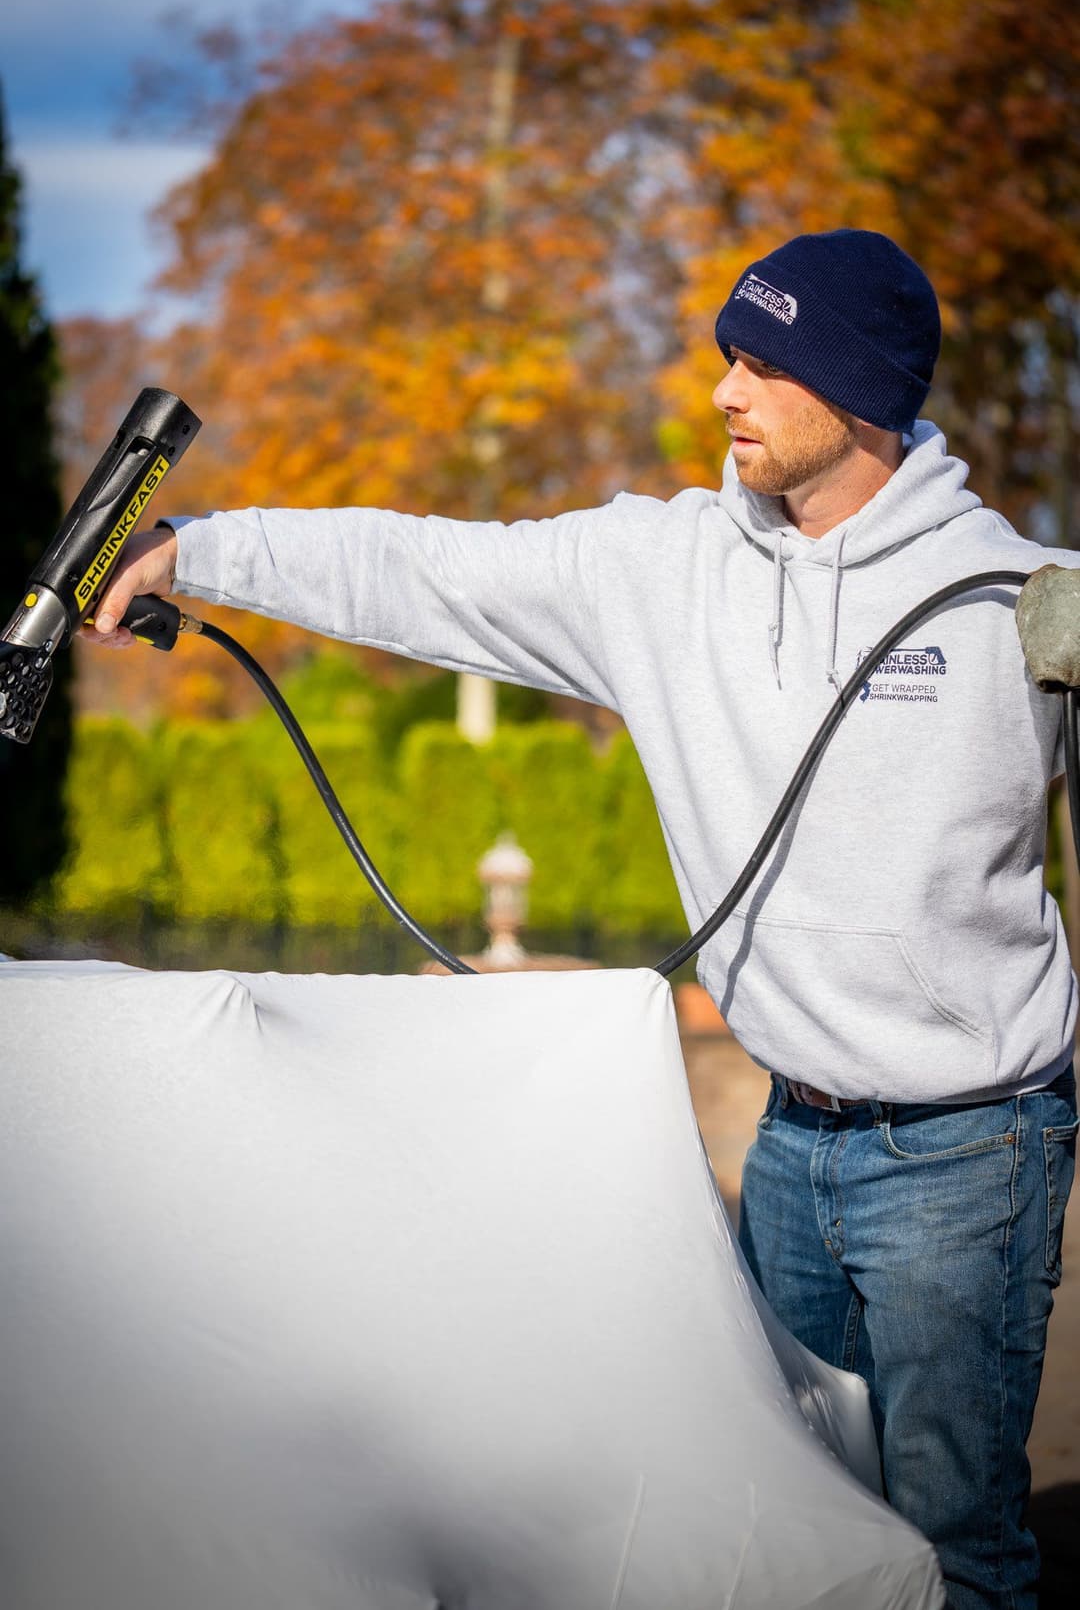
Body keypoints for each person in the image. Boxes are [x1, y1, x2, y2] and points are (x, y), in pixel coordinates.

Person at [87, 228, 1078, 1609]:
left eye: (766, 363)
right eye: (729, 356)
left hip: (971, 1151)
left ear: (861, 395)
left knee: (957, 1545)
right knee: (799, 1523)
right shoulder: (664, 572)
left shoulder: (1023, 603)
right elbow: (425, 569)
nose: (727, 390)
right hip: (792, 1142)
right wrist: (201, 551)